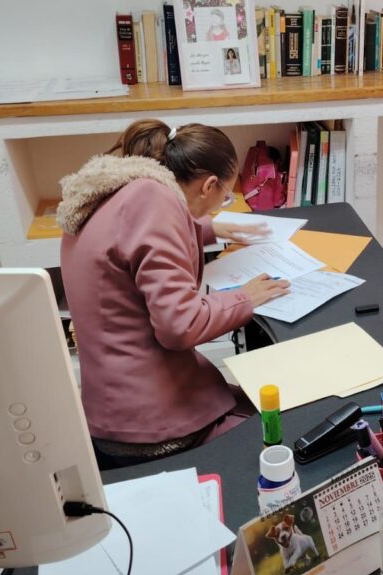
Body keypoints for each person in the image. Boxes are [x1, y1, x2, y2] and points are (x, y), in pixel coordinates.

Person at [58, 119, 290, 467]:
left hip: (112, 407)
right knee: (284, 423)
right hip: (149, 426)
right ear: (208, 185)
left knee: (258, 402)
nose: (220, 204)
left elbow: (127, 239)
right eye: (225, 197)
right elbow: (180, 325)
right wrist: (245, 297)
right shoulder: (155, 202)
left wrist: (209, 228)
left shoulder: (120, 188)